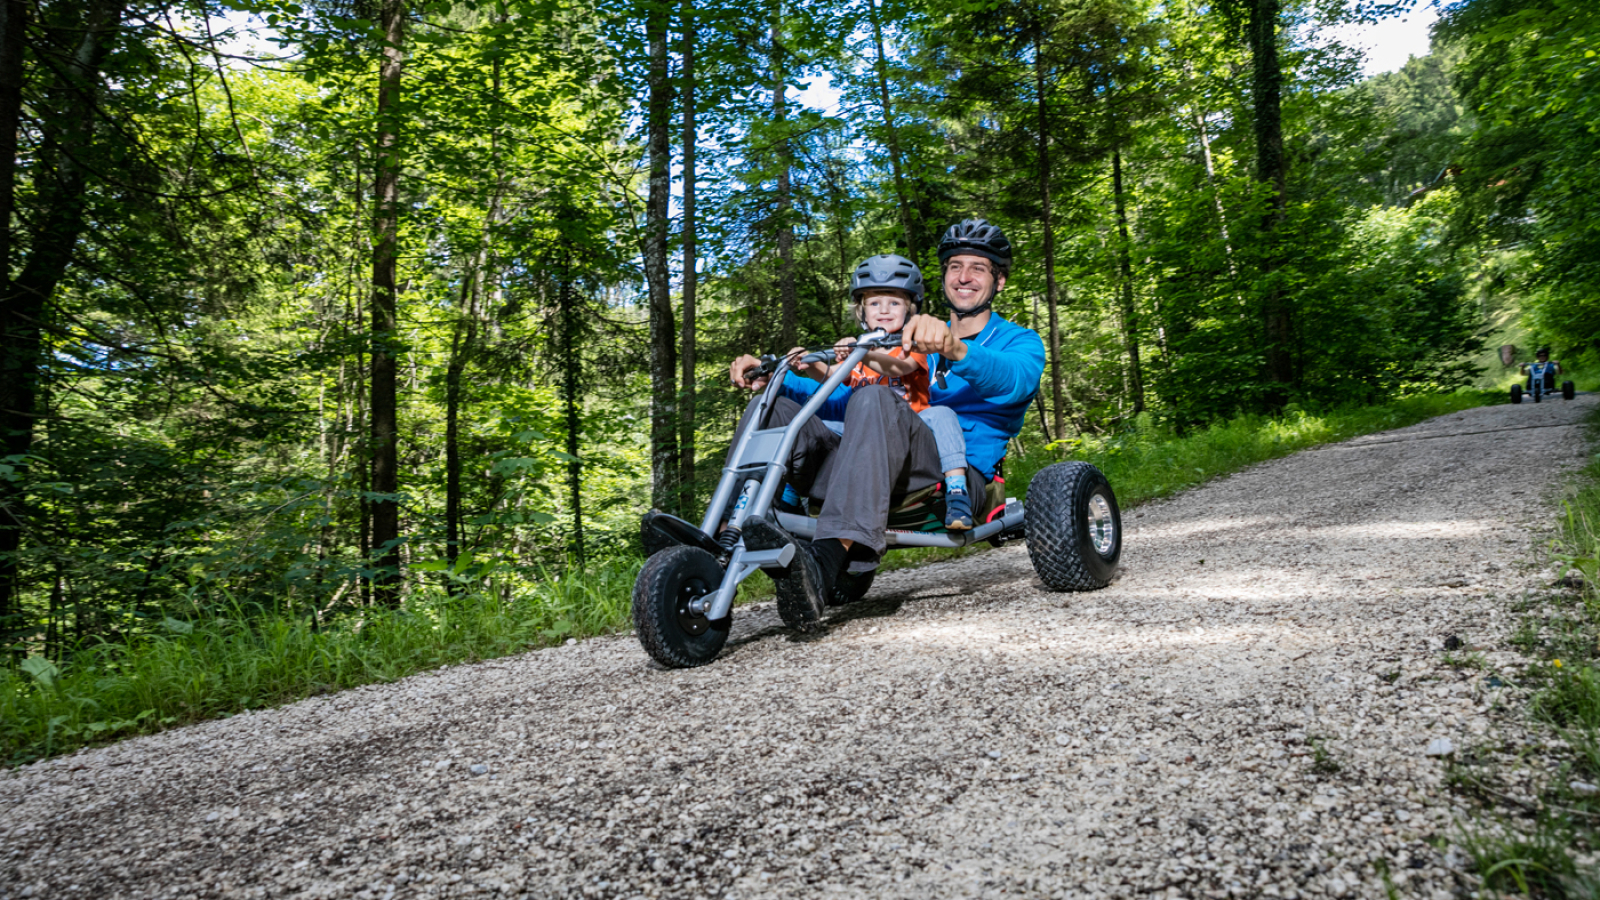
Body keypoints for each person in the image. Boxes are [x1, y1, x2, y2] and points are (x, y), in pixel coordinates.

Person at [727, 218, 1045, 627]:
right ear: (943, 276)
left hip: (949, 476)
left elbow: (1014, 382)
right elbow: (842, 403)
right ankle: (724, 540)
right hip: (869, 462)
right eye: (954, 267)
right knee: (771, 408)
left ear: (998, 282)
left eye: (978, 268)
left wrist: (957, 349)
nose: (964, 277)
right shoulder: (902, 336)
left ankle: (825, 564)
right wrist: (777, 379)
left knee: (875, 398)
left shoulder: (1019, 342)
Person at [788, 254, 975, 529]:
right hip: (864, 434)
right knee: (809, 427)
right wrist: (807, 363)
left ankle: (957, 492)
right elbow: (831, 378)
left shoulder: (913, 346)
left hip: (913, 429)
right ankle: (789, 498)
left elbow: (898, 369)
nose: (884, 309)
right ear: (862, 312)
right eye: (875, 303)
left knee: (944, 415)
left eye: (894, 302)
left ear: (909, 310)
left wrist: (861, 354)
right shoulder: (859, 351)